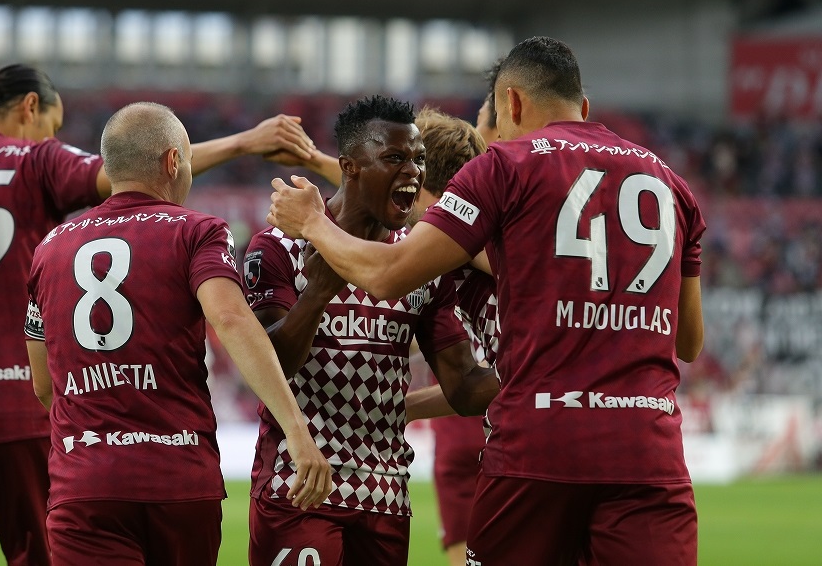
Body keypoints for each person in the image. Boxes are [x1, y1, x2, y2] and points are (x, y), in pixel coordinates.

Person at [0, 63, 324, 566]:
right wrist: (242, 143)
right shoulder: (38, 161)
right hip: (28, 420)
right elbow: (128, 176)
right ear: (31, 108)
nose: (53, 136)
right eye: (53, 125)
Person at [267, 36, 706, 565]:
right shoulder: (673, 185)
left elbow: (388, 274)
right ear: (584, 106)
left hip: (539, 444)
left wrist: (313, 223)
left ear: (511, 103)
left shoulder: (506, 167)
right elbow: (689, 342)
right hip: (650, 449)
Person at [24, 102, 332, 565]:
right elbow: (231, 320)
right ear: (173, 162)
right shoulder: (198, 231)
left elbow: (44, 386)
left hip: (85, 485)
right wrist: (296, 428)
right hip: (180, 481)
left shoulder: (49, 248)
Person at [242, 95, 498, 566]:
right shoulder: (280, 246)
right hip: (300, 486)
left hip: (386, 494)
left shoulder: (419, 263)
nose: (413, 172)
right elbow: (267, 365)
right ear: (350, 167)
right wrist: (317, 295)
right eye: (395, 158)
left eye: (419, 159)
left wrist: (531, 369)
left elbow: (463, 386)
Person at [405, 106, 496, 566]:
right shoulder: (469, 244)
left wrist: (315, 226)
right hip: (506, 417)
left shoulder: (471, 237)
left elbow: (383, 275)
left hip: (530, 433)